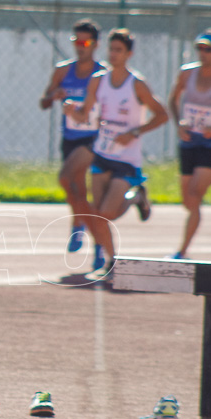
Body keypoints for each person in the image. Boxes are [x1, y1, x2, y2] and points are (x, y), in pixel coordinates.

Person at [63, 28, 168, 280]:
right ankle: (111, 263)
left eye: (119, 50)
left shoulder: (137, 84)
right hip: (102, 154)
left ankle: (135, 197)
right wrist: (71, 111)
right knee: (96, 215)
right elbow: (85, 115)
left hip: (126, 160)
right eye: (111, 49)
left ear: (129, 54)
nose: (113, 54)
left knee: (106, 213)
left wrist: (134, 132)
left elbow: (162, 115)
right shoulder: (98, 80)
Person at [39, 19, 108, 268]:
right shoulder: (62, 71)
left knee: (66, 178)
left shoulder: (103, 74)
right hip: (70, 138)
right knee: (76, 191)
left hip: (93, 139)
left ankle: (86, 230)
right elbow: (43, 102)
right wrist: (53, 96)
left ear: (96, 44)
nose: (80, 46)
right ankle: (94, 237)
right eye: (76, 41)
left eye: (85, 42)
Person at [168, 30, 211, 259]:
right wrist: (179, 124)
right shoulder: (187, 74)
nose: (204, 53)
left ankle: (182, 251)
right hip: (188, 144)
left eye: (209, 49)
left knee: (195, 197)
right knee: (187, 201)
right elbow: (173, 99)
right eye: (201, 48)